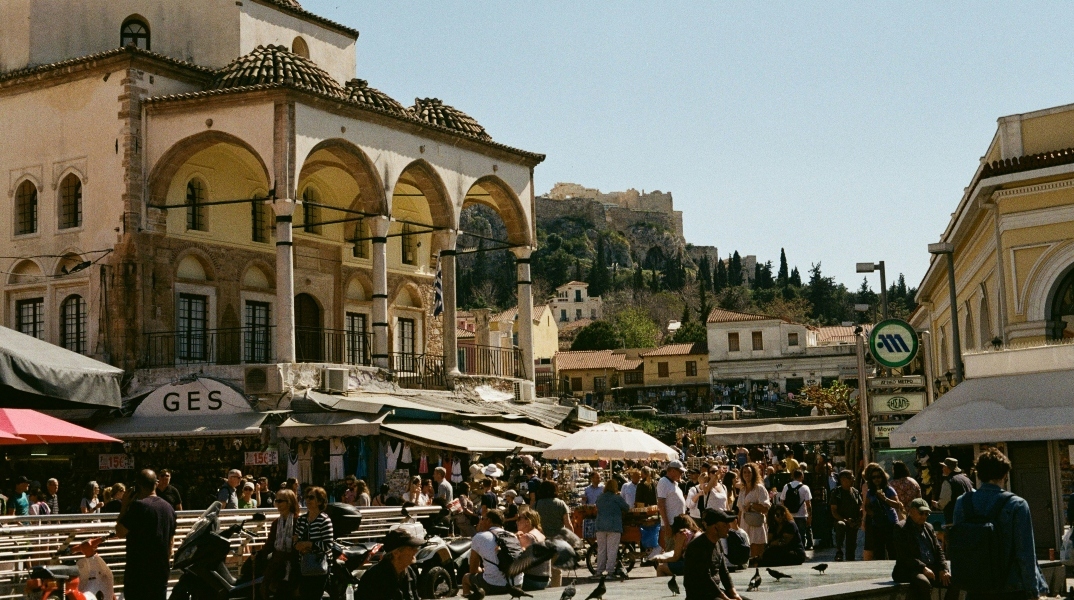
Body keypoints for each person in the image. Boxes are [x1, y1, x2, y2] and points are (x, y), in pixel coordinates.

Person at [951, 447, 1048, 600]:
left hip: (975, 587)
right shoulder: (1017, 504)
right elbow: (1026, 553)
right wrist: (1034, 591)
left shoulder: (962, 503)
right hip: (1011, 587)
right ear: (1005, 474)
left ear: (979, 474)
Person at [116, 469, 177, 600]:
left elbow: (120, 531)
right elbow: (170, 543)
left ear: (138, 486)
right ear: (156, 484)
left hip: (139, 572)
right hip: (161, 570)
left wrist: (124, 506)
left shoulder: (138, 507)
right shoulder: (168, 508)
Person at [893, 499, 949, 600]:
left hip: (931, 567)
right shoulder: (901, 528)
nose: (924, 516)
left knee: (954, 581)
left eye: (927, 514)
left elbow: (938, 549)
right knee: (924, 583)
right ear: (912, 511)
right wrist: (923, 568)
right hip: (910, 569)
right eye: (921, 513)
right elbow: (905, 555)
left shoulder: (929, 527)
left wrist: (943, 569)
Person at [462, 509, 523, 596]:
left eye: (483, 519)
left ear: (489, 520)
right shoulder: (512, 535)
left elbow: (473, 569)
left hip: (494, 585)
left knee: (466, 578)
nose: (481, 521)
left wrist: (482, 570)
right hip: (517, 584)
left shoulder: (479, 537)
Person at [683, 509, 741, 600]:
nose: (729, 527)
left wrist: (734, 594)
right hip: (699, 595)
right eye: (725, 525)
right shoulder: (697, 546)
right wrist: (726, 598)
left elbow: (724, 572)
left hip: (714, 592)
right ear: (715, 527)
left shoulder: (717, 542)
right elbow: (705, 578)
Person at [257, 488, 300, 599]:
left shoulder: (298, 521)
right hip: (278, 562)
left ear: (289, 502)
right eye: (276, 501)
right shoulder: (277, 522)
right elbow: (270, 543)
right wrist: (259, 555)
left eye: (280, 501)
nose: (277, 504)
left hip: (294, 562)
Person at [355, 528, 423, 600]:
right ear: (396, 553)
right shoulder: (375, 577)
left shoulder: (409, 572)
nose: (416, 551)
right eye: (410, 548)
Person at [295, 486, 334, 600]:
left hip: (319, 565)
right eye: (306, 497)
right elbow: (295, 539)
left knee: (315, 595)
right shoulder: (301, 520)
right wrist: (299, 546)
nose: (307, 500)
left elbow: (328, 545)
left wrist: (309, 544)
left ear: (320, 501)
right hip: (303, 564)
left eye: (311, 497)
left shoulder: (324, 520)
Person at [863, 465, 901, 561]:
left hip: (890, 522)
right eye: (873, 477)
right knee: (879, 551)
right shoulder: (870, 491)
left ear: (883, 477)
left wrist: (884, 498)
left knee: (892, 549)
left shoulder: (889, 490)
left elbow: (898, 505)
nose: (876, 479)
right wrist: (872, 513)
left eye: (878, 477)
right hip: (877, 523)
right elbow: (866, 505)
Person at [594, 478, 630, 577]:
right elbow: (626, 508)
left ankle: (599, 571)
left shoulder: (600, 497)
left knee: (601, 550)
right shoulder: (616, 498)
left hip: (600, 526)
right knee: (612, 550)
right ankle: (610, 571)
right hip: (614, 526)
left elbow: (597, 507)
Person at [737, 462, 770, 563]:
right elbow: (740, 509)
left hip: (756, 525)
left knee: (756, 557)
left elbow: (766, 508)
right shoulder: (742, 490)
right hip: (744, 524)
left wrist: (752, 505)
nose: (747, 474)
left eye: (749, 472)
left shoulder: (759, 488)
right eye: (744, 472)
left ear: (754, 474)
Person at [829, 469, 862, 562]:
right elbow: (834, 511)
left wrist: (859, 518)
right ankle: (839, 551)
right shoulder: (836, 492)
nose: (854, 479)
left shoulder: (855, 492)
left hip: (853, 522)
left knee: (851, 546)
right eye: (851, 478)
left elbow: (860, 506)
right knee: (840, 525)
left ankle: (850, 558)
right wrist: (845, 520)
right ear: (843, 480)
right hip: (841, 520)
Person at [516, 509, 550, 591]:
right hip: (545, 580)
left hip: (532, 580)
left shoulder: (528, 536)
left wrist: (515, 538)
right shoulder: (540, 535)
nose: (516, 521)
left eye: (519, 519)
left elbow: (518, 558)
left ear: (527, 522)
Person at [933, 457, 973, 528]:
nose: (942, 469)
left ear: (948, 468)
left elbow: (944, 501)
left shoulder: (949, 481)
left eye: (944, 467)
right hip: (969, 518)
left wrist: (937, 504)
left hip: (953, 520)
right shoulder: (966, 480)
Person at [778, 469, 812, 550]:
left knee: (790, 534)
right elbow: (808, 504)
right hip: (802, 515)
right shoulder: (805, 488)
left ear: (793, 476)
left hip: (789, 516)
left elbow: (782, 501)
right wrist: (810, 516)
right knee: (801, 534)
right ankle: (801, 550)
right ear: (802, 476)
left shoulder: (786, 486)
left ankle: (791, 550)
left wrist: (784, 514)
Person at [658, 460, 687, 549]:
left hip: (678, 523)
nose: (681, 474)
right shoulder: (663, 482)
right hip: (671, 523)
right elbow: (661, 504)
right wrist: (667, 525)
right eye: (680, 472)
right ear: (673, 470)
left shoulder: (674, 483)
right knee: (671, 551)